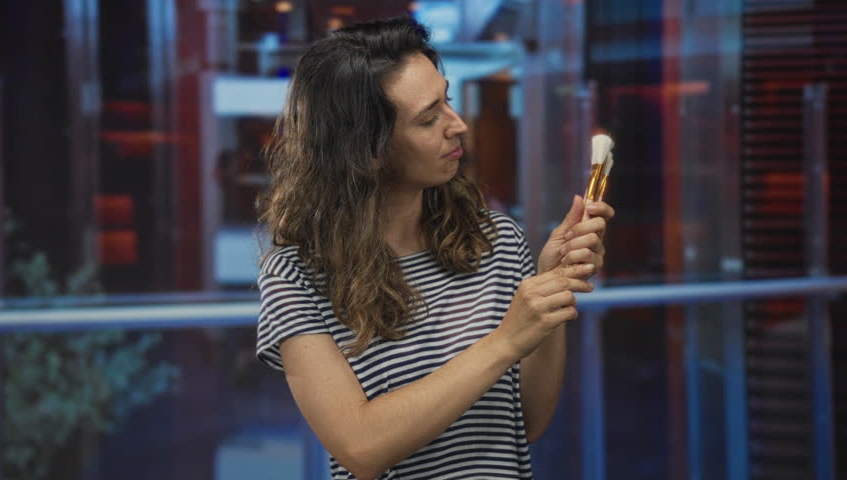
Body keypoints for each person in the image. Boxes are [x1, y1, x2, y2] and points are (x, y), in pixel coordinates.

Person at [255, 16, 614, 480]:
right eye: (429, 118)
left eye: (446, 100)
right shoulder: (295, 275)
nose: (458, 124)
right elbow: (361, 448)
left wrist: (549, 297)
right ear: (366, 149)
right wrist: (505, 341)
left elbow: (528, 423)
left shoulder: (497, 240)